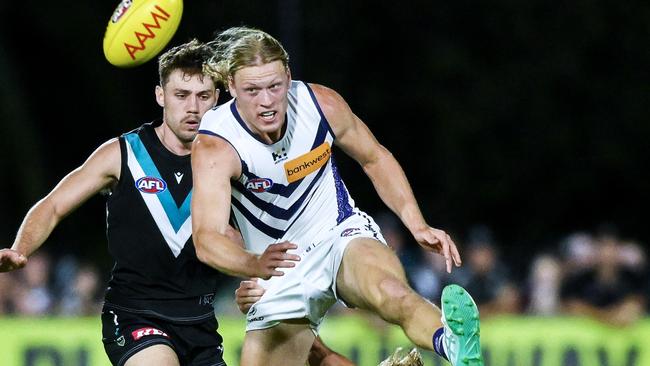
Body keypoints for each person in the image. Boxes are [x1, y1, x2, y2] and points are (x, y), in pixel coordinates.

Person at [0, 39, 352, 366]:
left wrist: (253, 279)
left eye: (203, 96)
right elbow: (54, 205)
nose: (193, 108)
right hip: (135, 316)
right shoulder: (123, 154)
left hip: (200, 325)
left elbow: (245, 241)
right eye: (181, 94)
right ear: (160, 95)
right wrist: (20, 249)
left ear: (218, 99)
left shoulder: (233, 161)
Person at [191, 26, 484, 366]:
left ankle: (451, 345)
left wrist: (417, 225)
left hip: (340, 235)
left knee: (391, 293)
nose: (267, 101)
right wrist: (253, 264)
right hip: (278, 268)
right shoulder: (216, 145)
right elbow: (207, 239)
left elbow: (375, 157)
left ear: (288, 76)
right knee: (317, 359)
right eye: (252, 90)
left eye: (274, 86)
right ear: (231, 87)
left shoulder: (321, 105)